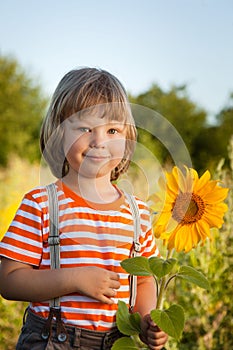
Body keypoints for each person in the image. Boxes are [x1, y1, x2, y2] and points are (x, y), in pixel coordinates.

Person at [0, 67, 168, 350]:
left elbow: (143, 282)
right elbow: (9, 280)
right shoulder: (43, 205)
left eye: (112, 130)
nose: (99, 141)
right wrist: (74, 278)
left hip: (117, 341)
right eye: (84, 128)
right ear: (59, 133)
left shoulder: (137, 213)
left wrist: (146, 320)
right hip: (53, 338)